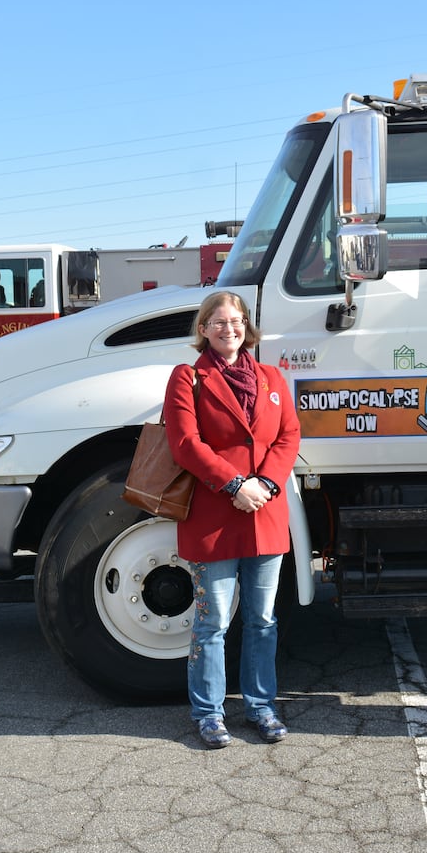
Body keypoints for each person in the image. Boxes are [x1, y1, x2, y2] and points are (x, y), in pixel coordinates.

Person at [164, 291, 301, 749]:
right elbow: (185, 443)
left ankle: (261, 707)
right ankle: (209, 713)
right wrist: (234, 485)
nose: (229, 329)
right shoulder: (188, 378)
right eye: (218, 322)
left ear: (248, 327)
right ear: (203, 328)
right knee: (212, 622)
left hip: (265, 512)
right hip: (214, 515)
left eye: (237, 320)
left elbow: (288, 435)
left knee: (262, 620)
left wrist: (266, 484)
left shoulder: (271, 377)